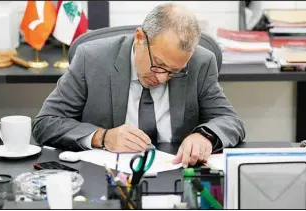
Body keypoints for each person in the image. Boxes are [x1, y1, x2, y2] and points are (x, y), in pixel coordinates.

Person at [32, 3, 245, 168]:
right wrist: (102, 137)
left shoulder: (201, 62)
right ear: (140, 38)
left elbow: (230, 121)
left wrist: (205, 136)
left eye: (175, 72)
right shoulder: (92, 58)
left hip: (177, 172)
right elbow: (45, 123)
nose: (162, 79)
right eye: (158, 65)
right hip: (107, 177)